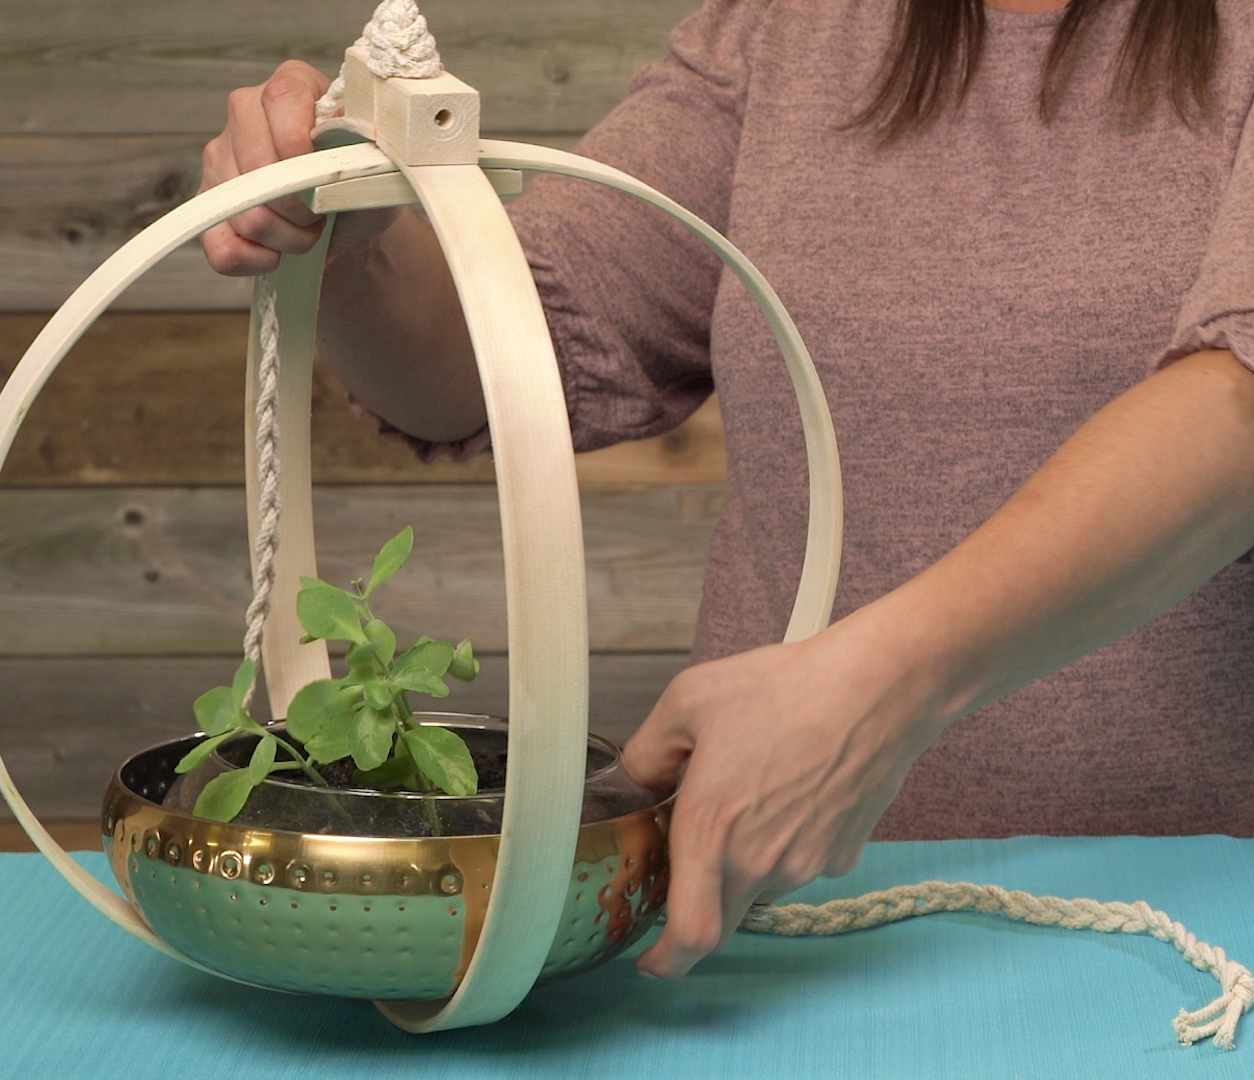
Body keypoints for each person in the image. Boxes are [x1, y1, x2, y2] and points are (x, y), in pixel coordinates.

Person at [199, 0, 1254, 980]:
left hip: (1199, 922)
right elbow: (507, 351)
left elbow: (1241, 405)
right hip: (773, 935)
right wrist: (349, 237)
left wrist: (889, 680)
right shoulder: (790, 26)